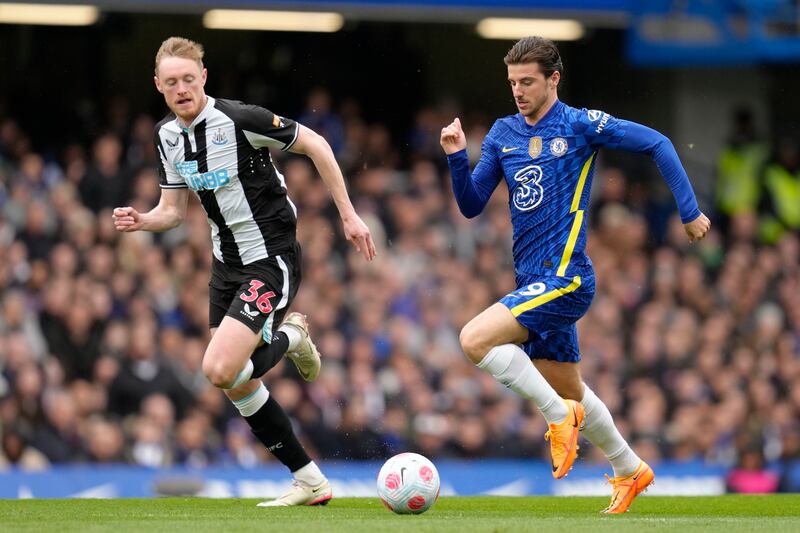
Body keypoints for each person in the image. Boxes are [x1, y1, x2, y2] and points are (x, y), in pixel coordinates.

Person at [440, 36, 710, 513]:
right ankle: (630, 469)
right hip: (533, 284)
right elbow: (469, 204)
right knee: (570, 389)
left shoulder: (581, 125)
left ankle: (557, 418)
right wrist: (457, 156)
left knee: (474, 340)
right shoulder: (504, 133)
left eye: (527, 82)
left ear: (553, 79)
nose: (518, 91)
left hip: (567, 278)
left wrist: (688, 213)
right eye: (512, 83)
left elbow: (659, 144)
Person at [113, 36, 376, 507]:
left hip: (271, 258)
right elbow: (173, 210)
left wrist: (348, 214)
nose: (181, 89)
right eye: (171, 82)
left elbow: (314, 143)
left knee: (218, 369)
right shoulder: (166, 136)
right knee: (238, 383)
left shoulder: (238, 119)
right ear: (158, 85)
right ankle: (311, 481)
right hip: (225, 266)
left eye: (188, 79)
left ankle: (292, 337)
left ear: (204, 78)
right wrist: (144, 220)